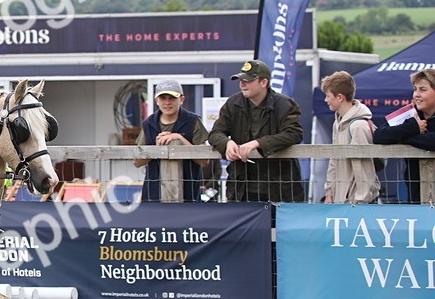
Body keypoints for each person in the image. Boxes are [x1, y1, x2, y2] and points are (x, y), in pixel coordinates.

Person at [207, 59, 305, 203]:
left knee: (279, 226)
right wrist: (227, 143)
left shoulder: (284, 104)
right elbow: (215, 133)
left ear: (263, 83)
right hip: (241, 189)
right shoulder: (233, 103)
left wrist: (257, 143)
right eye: (240, 80)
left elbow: (295, 134)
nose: (242, 84)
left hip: (281, 190)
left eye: (247, 80)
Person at [133, 79, 209, 202]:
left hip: (188, 195)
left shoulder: (193, 121)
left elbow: (204, 161)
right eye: (163, 98)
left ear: (182, 99)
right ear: (156, 100)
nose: (167, 102)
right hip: (153, 195)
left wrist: (180, 139)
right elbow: (137, 162)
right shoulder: (148, 124)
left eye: (172, 98)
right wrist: (157, 150)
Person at [372, 67, 435, 205]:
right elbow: (379, 135)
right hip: (415, 194)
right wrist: (411, 127)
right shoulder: (410, 115)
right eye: (415, 89)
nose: (416, 94)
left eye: (422, 90)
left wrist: (402, 135)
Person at [321, 71, 380, 205]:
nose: (326, 100)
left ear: (340, 97)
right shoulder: (337, 123)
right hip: (341, 200)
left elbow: (364, 169)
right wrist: (329, 193)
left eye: (328, 96)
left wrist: (360, 200)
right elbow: (333, 160)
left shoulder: (358, 126)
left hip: (357, 203)